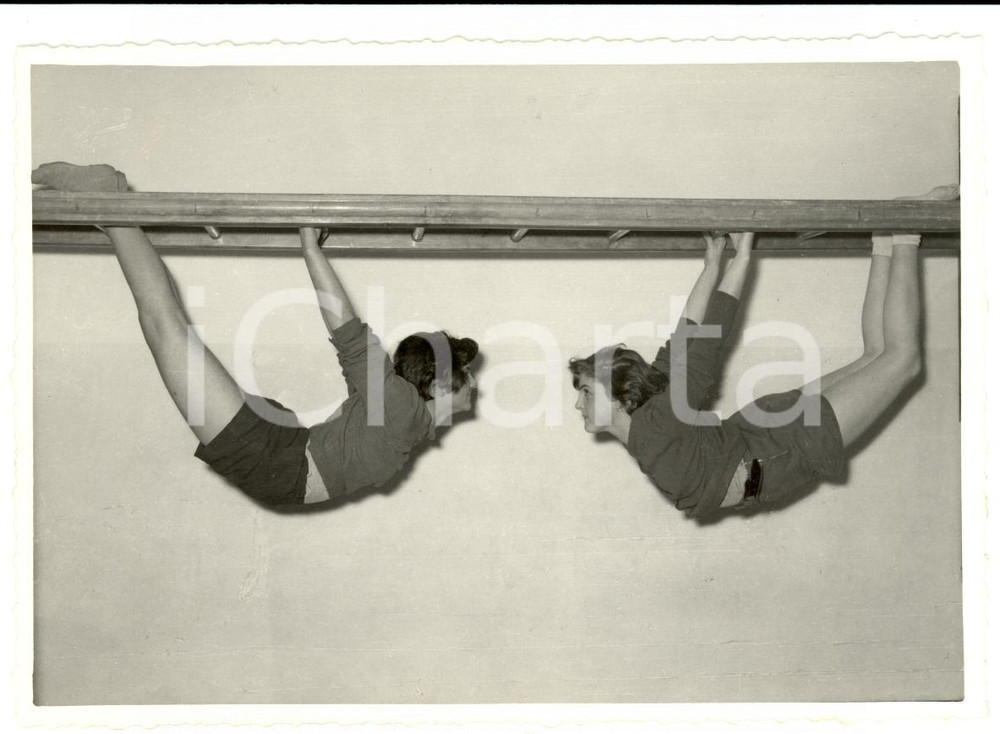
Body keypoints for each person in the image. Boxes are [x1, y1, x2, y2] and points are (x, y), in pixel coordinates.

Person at [32, 162, 479, 508]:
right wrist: (309, 249)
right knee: (165, 330)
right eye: (467, 382)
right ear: (439, 384)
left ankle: (114, 218)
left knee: (170, 330)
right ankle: (110, 203)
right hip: (278, 463)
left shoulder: (397, 415)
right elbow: (349, 335)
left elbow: (352, 349)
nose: (474, 392)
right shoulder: (404, 411)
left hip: (285, 450)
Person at [569, 228, 924, 518]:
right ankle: (886, 238)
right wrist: (712, 266)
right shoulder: (652, 415)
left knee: (901, 359)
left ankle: (903, 233)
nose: (577, 404)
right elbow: (683, 338)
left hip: (782, 447)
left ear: (619, 399)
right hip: (765, 434)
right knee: (880, 356)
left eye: (585, 391)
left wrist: (739, 259)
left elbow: (707, 338)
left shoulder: (657, 422)